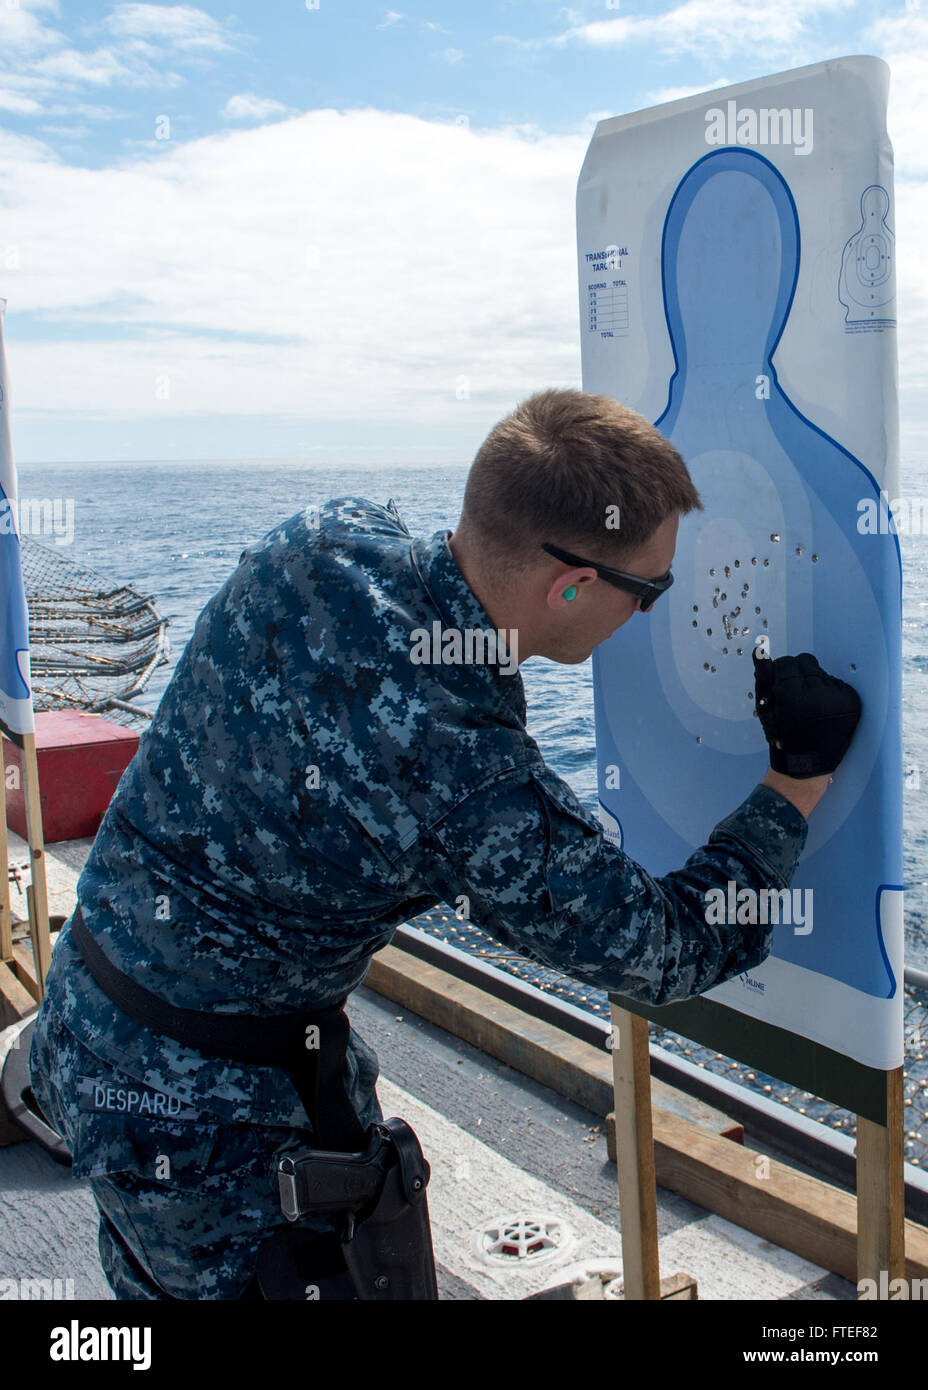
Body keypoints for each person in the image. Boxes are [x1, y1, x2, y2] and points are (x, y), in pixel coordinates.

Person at [27, 387, 861, 1299]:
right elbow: (665, 950)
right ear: (571, 586)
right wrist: (796, 779)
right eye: (650, 591)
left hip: (84, 1022)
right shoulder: (458, 771)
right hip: (212, 1134)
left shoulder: (323, 534)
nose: (653, 613)